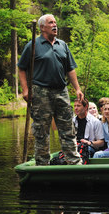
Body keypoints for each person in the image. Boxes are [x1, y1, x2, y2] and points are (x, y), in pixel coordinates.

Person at [17, 14, 83, 165]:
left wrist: (77, 89)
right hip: (40, 92)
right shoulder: (33, 45)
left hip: (61, 91)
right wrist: (26, 90)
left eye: (55, 22)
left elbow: (70, 69)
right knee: (41, 130)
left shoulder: (62, 45)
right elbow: (21, 68)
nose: (55, 25)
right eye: (51, 22)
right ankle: (42, 163)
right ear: (42, 27)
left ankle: (73, 161)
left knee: (68, 127)